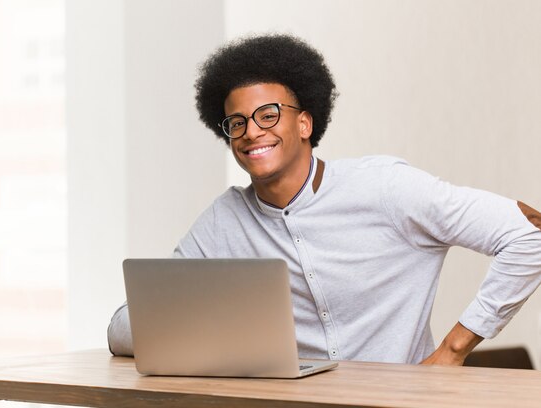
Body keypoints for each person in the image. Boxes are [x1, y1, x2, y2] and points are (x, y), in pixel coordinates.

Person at [108, 34, 541, 365]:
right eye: (236, 123)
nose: (251, 132)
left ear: (304, 123)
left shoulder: (386, 189)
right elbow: (122, 328)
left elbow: (528, 237)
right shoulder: (225, 219)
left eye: (268, 114)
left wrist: (452, 351)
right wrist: (212, 319)